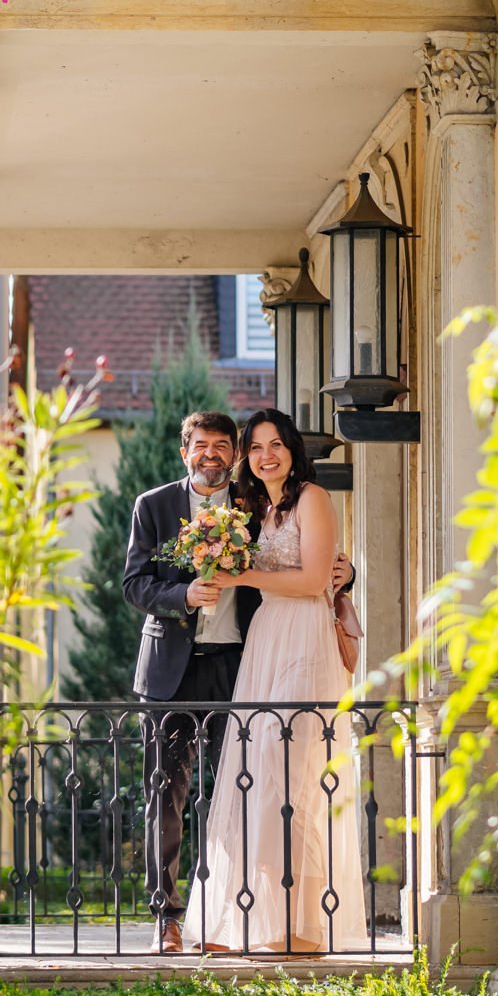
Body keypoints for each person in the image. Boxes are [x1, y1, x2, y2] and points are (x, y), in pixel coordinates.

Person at [122, 410, 353, 955]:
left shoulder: (254, 506)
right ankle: (169, 917)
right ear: (186, 451)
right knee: (167, 794)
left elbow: (304, 559)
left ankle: (242, 908)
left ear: (234, 454)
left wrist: (347, 574)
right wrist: (182, 596)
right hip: (170, 671)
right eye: (201, 445)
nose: (211, 454)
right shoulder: (153, 506)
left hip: (244, 661)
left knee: (251, 786)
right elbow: (135, 582)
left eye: (223, 446)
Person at [182, 408, 367, 956]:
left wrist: (240, 575)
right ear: (247, 457)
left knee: (296, 779)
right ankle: (251, 920)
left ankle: (304, 927)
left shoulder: (311, 496)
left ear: (292, 449)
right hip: (265, 638)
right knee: (256, 775)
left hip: (304, 641)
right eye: (257, 447)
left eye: (276, 444)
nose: (267, 455)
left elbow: (314, 579)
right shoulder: (254, 508)